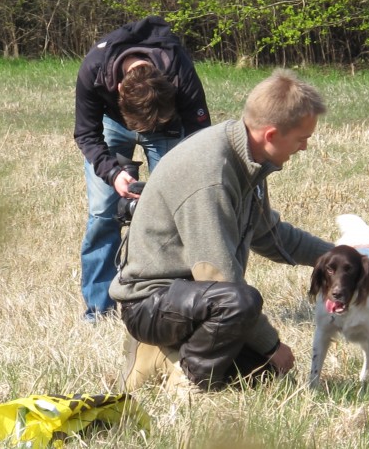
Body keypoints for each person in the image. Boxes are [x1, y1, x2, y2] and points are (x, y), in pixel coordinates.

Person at [109, 69, 334, 393]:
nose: (305, 147)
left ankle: (159, 356)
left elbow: (270, 235)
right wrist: (272, 345)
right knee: (241, 303)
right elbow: (216, 276)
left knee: (261, 375)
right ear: (271, 135)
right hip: (150, 302)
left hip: (190, 299)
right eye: (302, 138)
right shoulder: (212, 173)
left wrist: (333, 256)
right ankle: (188, 383)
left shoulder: (248, 160)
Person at [74, 16, 211, 321]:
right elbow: (86, 134)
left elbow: (202, 136)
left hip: (168, 124)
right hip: (112, 124)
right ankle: (98, 310)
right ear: (119, 87)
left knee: (175, 214)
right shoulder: (93, 69)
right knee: (101, 214)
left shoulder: (179, 70)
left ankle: (174, 304)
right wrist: (113, 173)